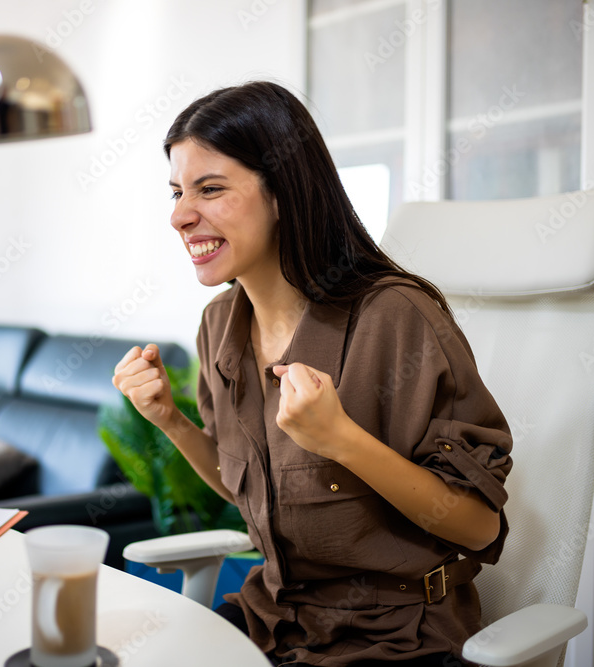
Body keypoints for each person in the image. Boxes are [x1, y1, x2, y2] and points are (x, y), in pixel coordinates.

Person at [112, 81, 513, 667]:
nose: (179, 216)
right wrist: (169, 420)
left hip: (394, 638)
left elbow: (479, 528)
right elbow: (247, 491)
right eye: (176, 192)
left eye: (210, 189)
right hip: (274, 618)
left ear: (283, 193)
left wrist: (341, 440)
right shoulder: (220, 324)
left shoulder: (395, 317)